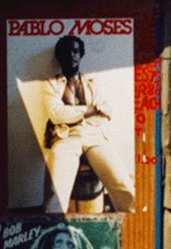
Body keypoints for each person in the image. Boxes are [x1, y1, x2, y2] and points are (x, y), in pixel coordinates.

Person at [40, 31, 133, 213]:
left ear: (81, 55)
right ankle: (52, 231)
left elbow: (107, 112)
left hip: (93, 134)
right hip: (66, 136)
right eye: (67, 52)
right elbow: (57, 114)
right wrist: (92, 109)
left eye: (75, 51)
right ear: (59, 56)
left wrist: (82, 112)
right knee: (55, 192)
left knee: (124, 185)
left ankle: (136, 231)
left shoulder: (92, 82)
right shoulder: (50, 84)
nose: (72, 55)